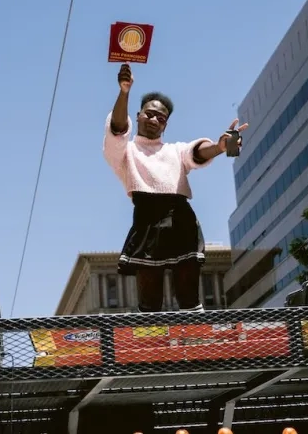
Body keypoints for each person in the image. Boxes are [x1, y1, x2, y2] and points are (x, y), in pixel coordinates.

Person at [103, 63, 247, 313]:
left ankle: (198, 345)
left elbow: (196, 153)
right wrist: (124, 92)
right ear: (137, 116)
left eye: (161, 118)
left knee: (189, 296)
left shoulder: (174, 150)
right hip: (146, 220)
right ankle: (151, 351)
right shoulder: (125, 152)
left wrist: (220, 147)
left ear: (165, 126)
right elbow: (117, 129)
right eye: (149, 114)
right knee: (149, 302)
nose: (154, 120)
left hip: (180, 218)